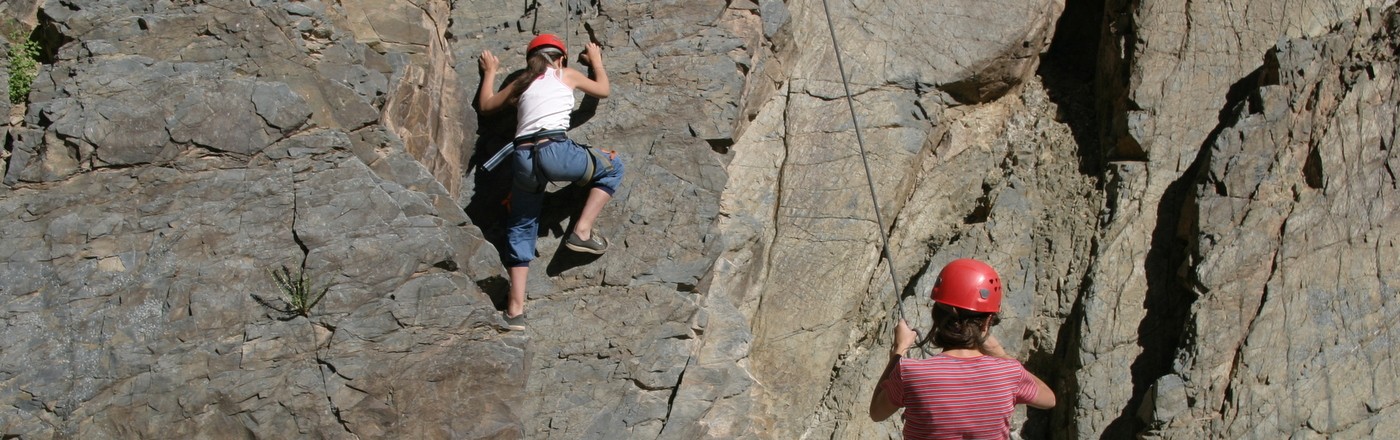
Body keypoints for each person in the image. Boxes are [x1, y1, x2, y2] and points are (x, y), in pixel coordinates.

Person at [477, 34, 623, 330]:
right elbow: (602, 91)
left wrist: (490, 71)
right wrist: (595, 61)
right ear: (561, 58)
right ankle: (581, 231)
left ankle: (515, 311)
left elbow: (486, 106)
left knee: (521, 224)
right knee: (613, 166)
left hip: (522, 158)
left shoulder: (521, 83)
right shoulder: (564, 73)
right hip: (555, 149)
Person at [869, 258, 1056, 439]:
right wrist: (1001, 354)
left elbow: (877, 413)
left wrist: (899, 349)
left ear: (937, 316)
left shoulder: (910, 372)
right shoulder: (1008, 373)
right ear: (988, 321)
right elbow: (1049, 399)